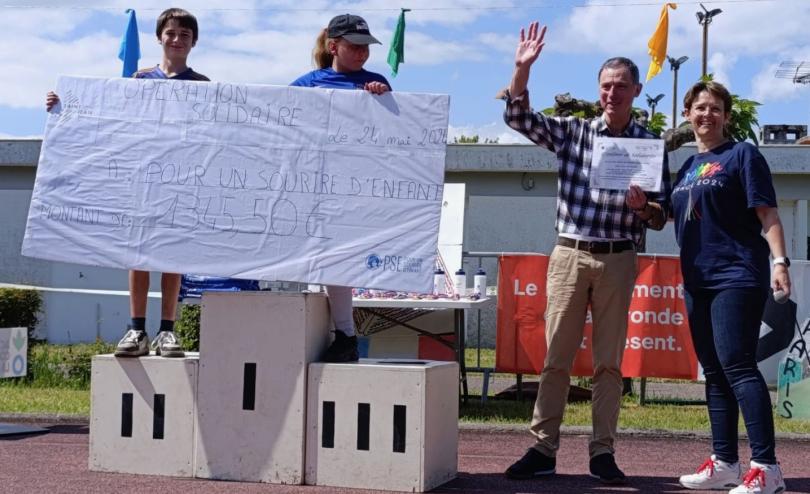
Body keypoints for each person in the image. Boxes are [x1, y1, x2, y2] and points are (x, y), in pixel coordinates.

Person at [500, 22, 671, 484]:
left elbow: (662, 216)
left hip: (618, 257)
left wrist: (645, 208)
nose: (612, 93)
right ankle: (543, 447)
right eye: (605, 86)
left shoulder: (649, 146)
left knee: (609, 364)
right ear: (598, 91)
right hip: (570, 254)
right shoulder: (573, 133)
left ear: (636, 90)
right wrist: (522, 70)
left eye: (620, 86)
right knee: (556, 355)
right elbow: (519, 119)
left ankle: (602, 453)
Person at [46, 8, 209, 358]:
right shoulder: (138, 81)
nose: (177, 39)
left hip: (180, 182)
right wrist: (64, 106)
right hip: (140, 180)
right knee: (137, 254)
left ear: (194, 42)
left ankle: (167, 330)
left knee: (172, 254)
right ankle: (136, 329)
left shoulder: (203, 86)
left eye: (184, 34)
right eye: (171, 33)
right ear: (159, 37)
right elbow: (104, 117)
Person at [669, 81, 789, 494]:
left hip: (737, 275)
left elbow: (768, 213)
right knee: (715, 374)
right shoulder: (685, 169)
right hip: (697, 279)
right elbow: (665, 216)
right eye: (699, 107)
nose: (707, 115)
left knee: (738, 366)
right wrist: (640, 206)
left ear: (726, 115)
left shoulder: (743, 155)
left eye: (715, 108)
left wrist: (779, 261)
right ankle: (724, 463)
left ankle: (767, 469)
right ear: (688, 114)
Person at [289, 14, 390, 363]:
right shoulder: (306, 84)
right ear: (334, 46)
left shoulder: (375, 83)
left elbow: (396, 130)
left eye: (366, 47)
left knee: (339, 260)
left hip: (354, 189)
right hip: (311, 186)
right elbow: (279, 123)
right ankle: (314, 336)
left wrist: (383, 99)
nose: (362, 53)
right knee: (314, 261)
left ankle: (345, 334)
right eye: (354, 46)